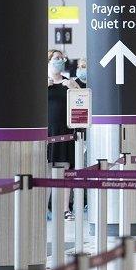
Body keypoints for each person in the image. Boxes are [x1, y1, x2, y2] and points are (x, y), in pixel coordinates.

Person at [47, 50, 79, 219]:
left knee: (65, 169)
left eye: (62, 58)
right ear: (49, 61)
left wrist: (74, 87)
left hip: (65, 131)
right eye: (56, 58)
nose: (60, 61)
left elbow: (83, 100)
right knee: (47, 170)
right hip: (47, 131)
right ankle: (45, 207)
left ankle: (65, 208)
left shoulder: (69, 83)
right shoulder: (42, 83)